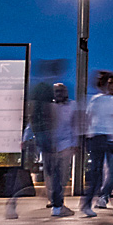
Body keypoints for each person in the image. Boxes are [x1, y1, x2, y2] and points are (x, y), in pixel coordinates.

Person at [80, 71, 113, 217]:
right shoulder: (97, 100)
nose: (110, 86)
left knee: (111, 171)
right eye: (108, 83)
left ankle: (103, 197)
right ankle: (93, 200)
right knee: (97, 171)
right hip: (99, 137)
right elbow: (88, 119)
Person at [36, 82, 76, 217]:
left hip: (65, 144)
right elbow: (36, 124)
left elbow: (75, 125)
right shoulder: (48, 107)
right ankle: (55, 201)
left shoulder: (72, 106)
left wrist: (75, 143)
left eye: (61, 91)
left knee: (62, 175)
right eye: (56, 91)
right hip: (49, 145)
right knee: (51, 174)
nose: (59, 94)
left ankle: (57, 202)